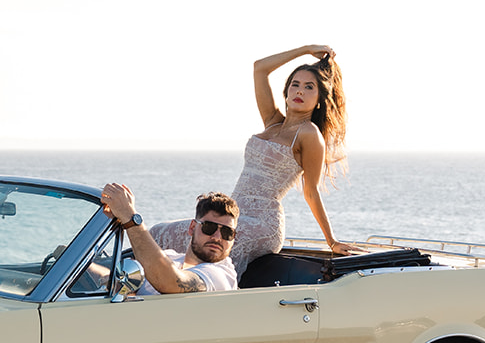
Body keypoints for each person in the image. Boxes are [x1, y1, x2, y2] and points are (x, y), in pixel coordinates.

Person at [151, 44, 351, 276]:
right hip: (231, 216)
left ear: (318, 99)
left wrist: (331, 241)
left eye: (309, 87)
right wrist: (306, 50)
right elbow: (260, 69)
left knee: (211, 256)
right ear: (286, 92)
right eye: (295, 85)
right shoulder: (273, 122)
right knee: (159, 233)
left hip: (262, 225)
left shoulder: (309, 134)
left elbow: (311, 192)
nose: (299, 91)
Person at [100, 183, 238, 294]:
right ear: (192, 227)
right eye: (209, 228)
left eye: (227, 233)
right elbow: (111, 278)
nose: (217, 237)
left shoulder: (221, 275)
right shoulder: (169, 257)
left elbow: (171, 282)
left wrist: (130, 219)